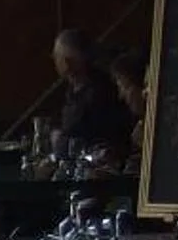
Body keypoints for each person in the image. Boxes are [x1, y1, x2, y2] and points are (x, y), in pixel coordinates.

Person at [50, 27, 133, 158]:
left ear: (67, 62)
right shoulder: (73, 89)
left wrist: (58, 140)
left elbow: (81, 140)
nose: (54, 60)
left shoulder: (99, 92)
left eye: (56, 56)